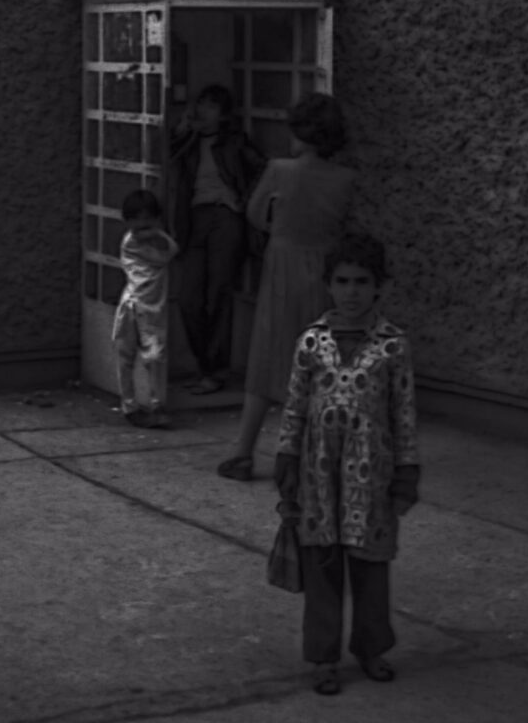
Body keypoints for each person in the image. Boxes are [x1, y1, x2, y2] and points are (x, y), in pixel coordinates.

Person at [274, 233, 421, 696]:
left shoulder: (393, 346)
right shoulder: (311, 343)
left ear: (378, 287)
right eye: (343, 281)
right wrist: (287, 460)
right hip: (319, 479)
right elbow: (295, 406)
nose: (352, 290)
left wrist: (406, 472)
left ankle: (371, 647)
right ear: (328, 285)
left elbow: (403, 414)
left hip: (371, 481)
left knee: (370, 566)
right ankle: (323, 656)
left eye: (362, 281)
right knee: (322, 565)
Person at [218, 93, 356, 481]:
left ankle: (244, 451)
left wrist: (279, 227)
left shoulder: (280, 170)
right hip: (325, 269)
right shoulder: (345, 179)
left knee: (267, 357)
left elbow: (255, 214)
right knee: (322, 363)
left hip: (283, 266)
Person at [170, 84, 266, 394]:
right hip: (194, 219)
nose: (203, 111)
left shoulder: (235, 143)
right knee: (189, 298)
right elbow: (163, 157)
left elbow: (263, 172)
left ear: (223, 114)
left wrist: (244, 202)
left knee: (218, 293)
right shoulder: (190, 142)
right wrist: (184, 130)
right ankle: (203, 365)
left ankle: (215, 370)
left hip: (225, 217)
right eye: (201, 104)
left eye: (211, 106)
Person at [112, 189, 179, 429]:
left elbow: (169, 251)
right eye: (137, 222)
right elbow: (165, 254)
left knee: (155, 356)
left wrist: (156, 233)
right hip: (134, 303)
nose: (142, 227)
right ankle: (130, 405)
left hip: (151, 306)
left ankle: (156, 404)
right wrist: (153, 233)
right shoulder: (131, 243)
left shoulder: (157, 241)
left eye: (147, 221)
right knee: (125, 354)